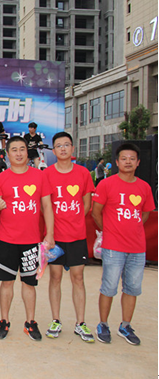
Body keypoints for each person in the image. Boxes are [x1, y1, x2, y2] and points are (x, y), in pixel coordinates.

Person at [0, 136, 54, 341]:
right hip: (7, 240)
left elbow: (47, 206)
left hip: (31, 241)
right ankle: (4, 320)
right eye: (14, 150)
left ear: (28, 152)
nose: (18, 153)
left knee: (29, 284)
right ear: (7, 154)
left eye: (22, 149)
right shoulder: (0, 179)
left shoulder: (40, 176)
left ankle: (30, 322)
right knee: (6, 283)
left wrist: (50, 234)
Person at [92, 143, 154, 346]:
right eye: (124, 158)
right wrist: (110, 231)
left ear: (138, 162)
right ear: (117, 162)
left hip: (137, 248)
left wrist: (132, 230)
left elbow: (145, 214)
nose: (128, 162)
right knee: (109, 287)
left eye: (132, 159)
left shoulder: (144, 187)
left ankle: (125, 326)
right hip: (113, 247)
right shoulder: (107, 184)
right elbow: (96, 212)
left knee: (132, 288)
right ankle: (103, 324)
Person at [43, 132, 95, 342]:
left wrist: (74, 221)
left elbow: (87, 204)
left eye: (66, 145)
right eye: (59, 146)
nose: (63, 148)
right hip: (55, 237)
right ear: (54, 151)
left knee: (78, 278)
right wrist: (52, 230)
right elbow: (44, 206)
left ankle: (80, 323)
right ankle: (56, 320)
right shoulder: (47, 174)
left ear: (73, 149)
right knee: (55, 277)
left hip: (77, 236)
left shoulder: (83, 173)